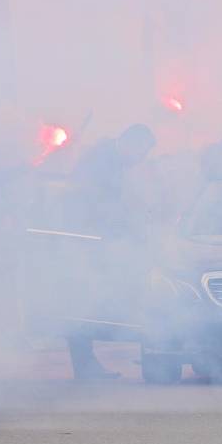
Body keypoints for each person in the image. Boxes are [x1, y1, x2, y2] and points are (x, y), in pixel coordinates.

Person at [66, 124, 157, 380]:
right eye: (141, 152)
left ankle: (86, 365)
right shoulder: (101, 159)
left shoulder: (111, 159)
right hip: (87, 242)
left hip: (97, 240)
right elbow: (95, 203)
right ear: (130, 143)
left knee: (87, 302)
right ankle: (85, 367)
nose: (140, 159)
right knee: (83, 303)